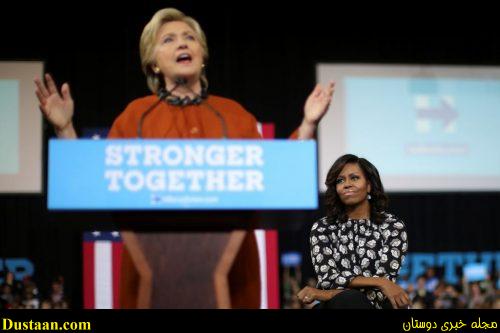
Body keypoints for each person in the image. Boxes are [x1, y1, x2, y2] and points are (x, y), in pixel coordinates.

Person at [34, 8, 334, 140]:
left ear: (202, 56)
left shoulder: (232, 114)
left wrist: (308, 123)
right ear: (153, 63)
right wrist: (64, 130)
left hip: (229, 264)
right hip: (154, 262)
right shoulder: (135, 116)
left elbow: (275, 174)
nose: (182, 43)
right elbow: (96, 183)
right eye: (169, 40)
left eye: (190, 38)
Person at [297, 154, 410, 309]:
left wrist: (323, 294)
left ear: (369, 185)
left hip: (376, 306)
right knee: (348, 301)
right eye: (340, 180)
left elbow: (380, 292)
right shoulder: (323, 228)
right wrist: (381, 282)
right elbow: (329, 280)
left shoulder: (392, 226)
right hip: (336, 307)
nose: (346, 184)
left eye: (354, 178)